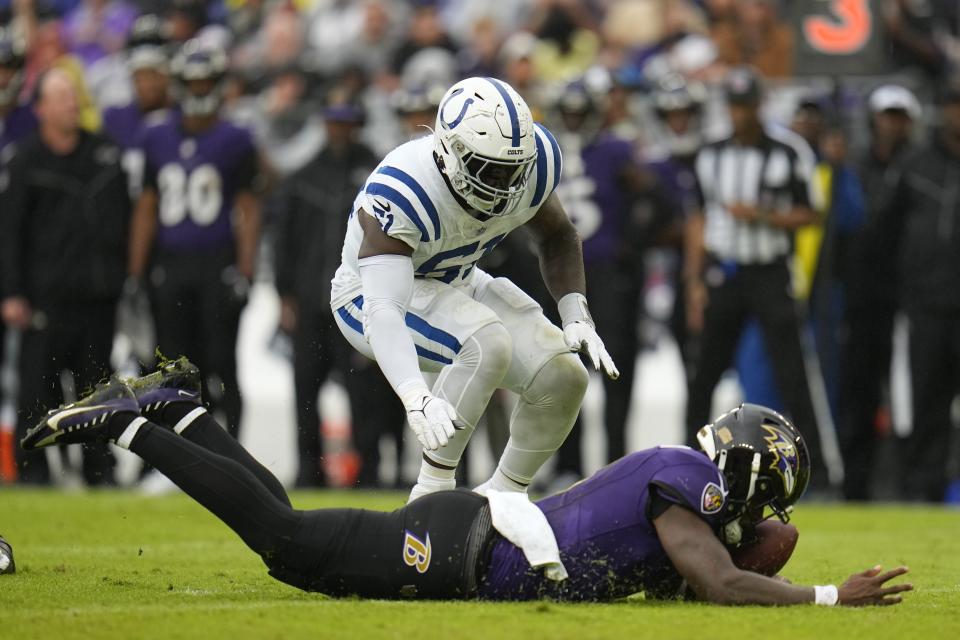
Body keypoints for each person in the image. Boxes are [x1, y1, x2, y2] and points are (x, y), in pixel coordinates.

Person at [20, 359, 911, 605]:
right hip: (466, 546)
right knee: (287, 549)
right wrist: (828, 597)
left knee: (294, 525)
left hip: (477, 541)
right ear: (752, 473)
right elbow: (717, 583)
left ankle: (179, 413)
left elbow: (710, 570)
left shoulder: (691, 492)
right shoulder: (687, 480)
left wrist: (775, 565)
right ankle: (132, 425)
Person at [329, 76, 618, 502]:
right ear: (451, 151)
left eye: (513, 169)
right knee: (487, 340)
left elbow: (557, 235)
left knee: (564, 375)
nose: (505, 183)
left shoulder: (534, 164)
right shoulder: (404, 187)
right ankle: (431, 496)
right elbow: (385, 310)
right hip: (367, 298)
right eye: (491, 169)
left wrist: (575, 314)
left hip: (457, 279)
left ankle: (502, 500)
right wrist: (415, 395)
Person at [683, 67, 836, 489]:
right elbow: (697, 219)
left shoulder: (788, 151)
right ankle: (686, 466)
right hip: (725, 272)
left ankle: (817, 471)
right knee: (704, 375)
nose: (739, 114)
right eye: (733, 106)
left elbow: (813, 213)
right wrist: (693, 281)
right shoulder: (710, 154)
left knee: (794, 376)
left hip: (770, 271)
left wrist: (764, 216)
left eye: (745, 105)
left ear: (758, 106)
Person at [1, 68, 130, 485]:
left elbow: (125, 221)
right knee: (36, 391)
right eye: (61, 98)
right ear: (40, 109)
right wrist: (12, 292)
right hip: (44, 298)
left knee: (96, 390)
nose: (72, 104)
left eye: (74, 96)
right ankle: (34, 472)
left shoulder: (106, 152)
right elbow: (10, 232)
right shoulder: (24, 160)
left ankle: (100, 470)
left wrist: (121, 278)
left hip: (97, 295)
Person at [127, 41, 261, 439]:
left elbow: (248, 207)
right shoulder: (156, 135)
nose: (200, 90)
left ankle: (234, 451)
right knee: (169, 365)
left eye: (208, 82)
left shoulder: (236, 137)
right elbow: (147, 206)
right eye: (194, 82)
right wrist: (135, 272)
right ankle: (168, 452)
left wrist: (246, 268)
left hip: (217, 262)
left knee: (222, 363)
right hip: (170, 262)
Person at [274, 99, 402, 488]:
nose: (339, 131)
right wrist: (286, 295)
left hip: (357, 303)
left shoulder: (377, 173)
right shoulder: (304, 176)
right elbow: (285, 241)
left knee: (365, 393)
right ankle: (308, 469)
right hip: (312, 300)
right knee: (306, 389)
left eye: (346, 123)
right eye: (333, 122)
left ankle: (369, 468)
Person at [840, 85, 920, 501]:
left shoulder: (923, 167)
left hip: (913, 297)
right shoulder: (854, 166)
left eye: (899, 116)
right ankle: (856, 487)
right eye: (887, 115)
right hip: (861, 299)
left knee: (912, 395)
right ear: (874, 119)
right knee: (859, 394)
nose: (892, 124)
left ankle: (916, 486)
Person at [880, 83, 960, 502]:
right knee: (927, 400)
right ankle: (922, 490)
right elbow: (887, 233)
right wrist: (901, 291)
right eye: (954, 104)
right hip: (926, 305)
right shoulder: (916, 165)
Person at [101, 14, 172, 198]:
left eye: (153, 75)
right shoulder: (114, 119)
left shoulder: (181, 120)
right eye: (141, 76)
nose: (147, 85)